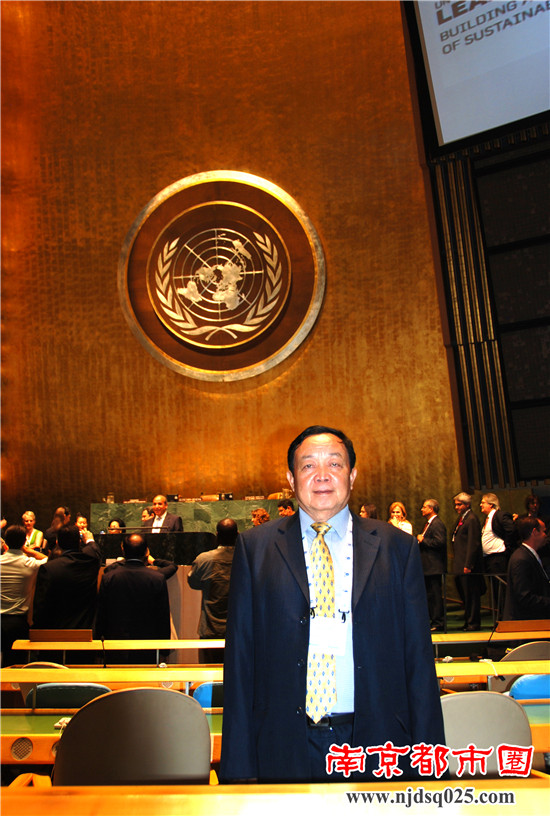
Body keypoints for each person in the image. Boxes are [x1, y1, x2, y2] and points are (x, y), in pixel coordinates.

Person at [220, 425, 444, 783]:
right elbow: (241, 659)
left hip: (378, 743)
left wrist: (431, 761)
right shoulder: (256, 548)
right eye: (308, 465)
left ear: (352, 475)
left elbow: (418, 658)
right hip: (282, 743)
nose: (322, 475)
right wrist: (237, 768)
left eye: (335, 464)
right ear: (291, 479)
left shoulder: (396, 548)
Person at [95, 534, 173, 663]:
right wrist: (164, 650)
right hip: (147, 644)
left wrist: (98, 649)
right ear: (146, 552)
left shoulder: (109, 577)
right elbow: (163, 617)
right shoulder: (157, 579)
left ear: (123, 550)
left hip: (115, 644)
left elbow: (101, 615)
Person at [187, 518, 238, 663]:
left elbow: (193, 583)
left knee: (209, 671)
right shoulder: (248, 558)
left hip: (211, 628)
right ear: (237, 535)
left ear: (217, 535)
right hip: (238, 628)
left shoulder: (204, 559)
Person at [32, 523, 101, 630]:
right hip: (85, 631)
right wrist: (90, 540)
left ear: (57, 543)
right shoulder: (90, 562)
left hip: (55, 630)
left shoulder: (49, 569)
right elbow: (94, 551)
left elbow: (40, 606)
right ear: (79, 542)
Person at [1, 525, 47, 666]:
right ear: (24, 542)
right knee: (15, 665)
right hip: (17, 622)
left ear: (6, 542)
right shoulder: (29, 563)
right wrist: (27, 550)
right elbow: (49, 560)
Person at [504, 516, 550, 620]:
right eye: (544, 531)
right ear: (534, 532)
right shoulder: (521, 559)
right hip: (523, 623)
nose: (546, 536)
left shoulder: (527, 555)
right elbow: (524, 597)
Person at [479, 493, 516, 620]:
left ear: (491, 504)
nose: (480, 505)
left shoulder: (499, 515)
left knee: (501, 590)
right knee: (495, 590)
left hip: (498, 559)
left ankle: (505, 619)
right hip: (489, 560)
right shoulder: (488, 519)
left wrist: (506, 547)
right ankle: (500, 617)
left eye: (483, 502)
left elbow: (511, 530)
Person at [451, 493, 484, 631]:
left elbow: (473, 543)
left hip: (468, 565)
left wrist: (468, 564)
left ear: (467, 505)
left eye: (459, 504)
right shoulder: (463, 518)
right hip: (460, 563)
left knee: (471, 596)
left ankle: (473, 623)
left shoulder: (472, 519)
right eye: (456, 504)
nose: (456, 507)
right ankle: (468, 621)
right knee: (465, 596)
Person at [417, 499, 447, 632]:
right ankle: (434, 621)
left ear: (431, 509)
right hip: (428, 567)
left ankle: (438, 622)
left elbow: (440, 542)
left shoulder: (437, 524)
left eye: (424, 507)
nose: (422, 509)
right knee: (430, 595)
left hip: (434, 566)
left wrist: (423, 540)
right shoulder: (429, 524)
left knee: (435, 596)